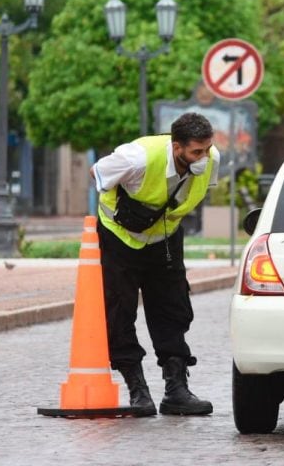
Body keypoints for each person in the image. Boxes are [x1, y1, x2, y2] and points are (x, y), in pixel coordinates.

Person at [90, 112, 220, 417]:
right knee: (119, 312)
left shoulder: (212, 158)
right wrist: (128, 204)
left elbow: (194, 190)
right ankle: (138, 390)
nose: (204, 158)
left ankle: (176, 390)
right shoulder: (136, 159)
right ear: (177, 148)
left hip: (165, 238)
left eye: (206, 149)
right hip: (120, 238)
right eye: (195, 152)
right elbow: (97, 173)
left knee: (173, 309)